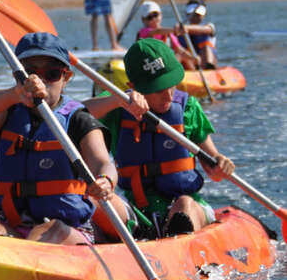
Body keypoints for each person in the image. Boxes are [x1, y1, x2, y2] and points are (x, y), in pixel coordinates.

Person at [0, 32, 137, 245]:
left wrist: (105, 180)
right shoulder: (8, 113)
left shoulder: (79, 119)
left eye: (52, 73)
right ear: (17, 76)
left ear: (66, 78)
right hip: (14, 226)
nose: (41, 81)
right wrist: (16, 93)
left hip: (69, 229)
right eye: (31, 73)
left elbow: (103, 162)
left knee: (50, 232)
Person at [84, 38, 235, 239]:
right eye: (158, 89)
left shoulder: (188, 108)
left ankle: (179, 244)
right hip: (136, 209)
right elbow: (71, 115)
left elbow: (214, 170)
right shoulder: (118, 108)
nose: (169, 96)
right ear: (133, 86)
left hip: (185, 205)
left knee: (184, 205)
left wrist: (221, 164)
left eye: (171, 85)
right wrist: (118, 100)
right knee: (94, 201)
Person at [137, 1, 200, 71]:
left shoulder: (169, 34)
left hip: (163, 65)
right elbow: (157, 31)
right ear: (143, 20)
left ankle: (194, 74)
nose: (153, 19)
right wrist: (175, 30)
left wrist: (193, 58)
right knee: (180, 55)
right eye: (149, 17)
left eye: (155, 15)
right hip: (149, 66)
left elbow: (179, 49)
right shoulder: (144, 32)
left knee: (185, 57)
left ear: (161, 15)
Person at [177, 0, 218, 69]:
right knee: (179, 51)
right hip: (191, 62)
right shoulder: (180, 30)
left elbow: (206, 30)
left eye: (198, 15)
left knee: (206, 47)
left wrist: (186, 28)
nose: (195, 17)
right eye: (193, 15)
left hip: (204, 61)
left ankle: (209, 68)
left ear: (203, 15)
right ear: (187, 15)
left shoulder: (209, 26)